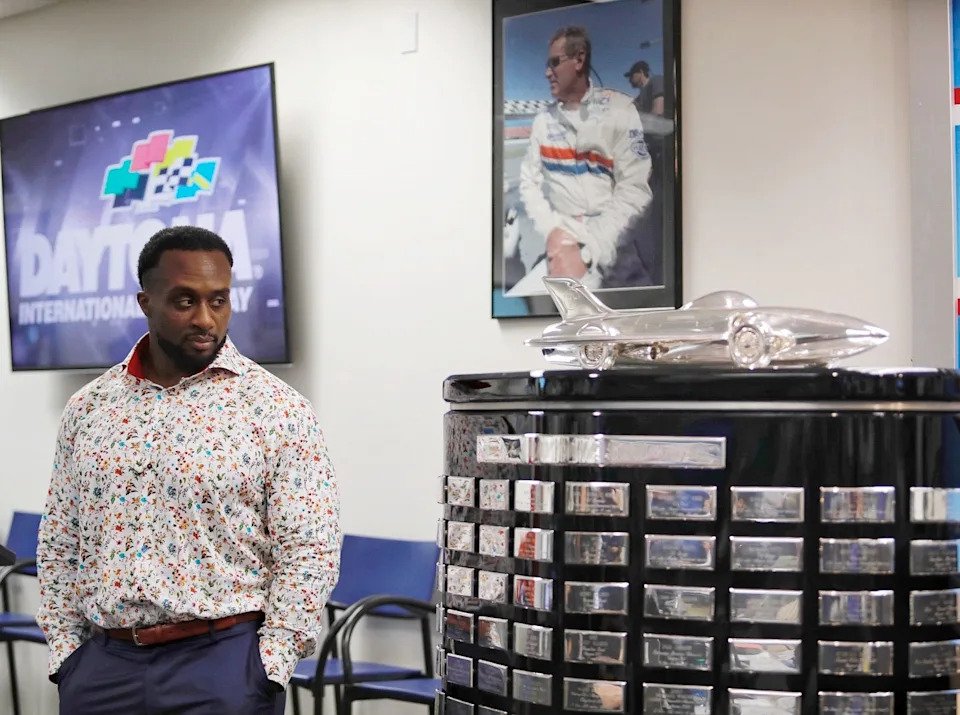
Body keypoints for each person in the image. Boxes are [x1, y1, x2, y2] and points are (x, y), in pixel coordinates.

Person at [37, 225, 341, 714]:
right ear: (145, 302)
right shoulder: (88, 409)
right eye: (184, 301)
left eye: (218, 301)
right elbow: (60, 539)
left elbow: (310, 548)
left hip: (224, 668)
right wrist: (67, 655)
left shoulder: (276, 409)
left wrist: (271, 664)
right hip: (102, 670)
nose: (205, 318)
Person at [519, 26, 653, 290]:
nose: (547, 72)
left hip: (616, 253)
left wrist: (589, 251)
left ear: (579, 59)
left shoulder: (619, 110)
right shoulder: (542, 122)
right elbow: (528, 184)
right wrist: (554, 232)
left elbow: (635, 189)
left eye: (554, 63)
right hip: (560, 249)